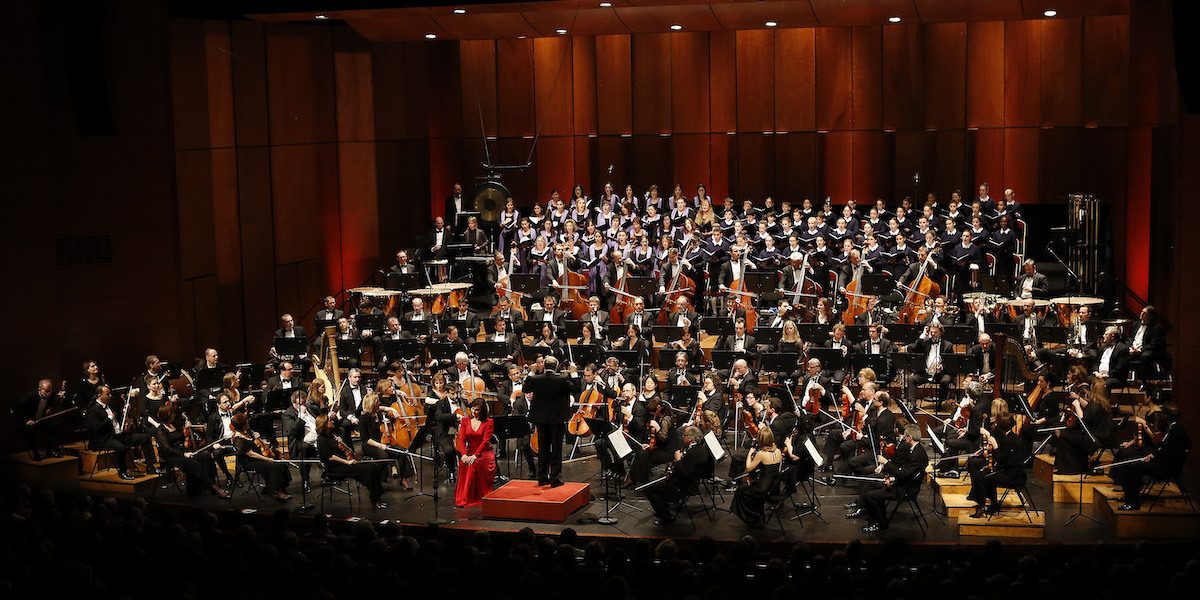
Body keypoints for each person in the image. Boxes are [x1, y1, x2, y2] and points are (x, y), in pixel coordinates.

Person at [847, 424, 929, 533]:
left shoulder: (916, 454)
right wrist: (894, 478)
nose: (904, 439)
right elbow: (907, 472)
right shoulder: (917, 450)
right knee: (872, 485)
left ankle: (878, 523)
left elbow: (903, 473)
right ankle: (873, 516)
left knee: (871, 495)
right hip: (903, 482)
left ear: (910, 438)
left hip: (905, 489)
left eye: (905, 437)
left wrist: (885, 463)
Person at [1110, 401, 1190, 510]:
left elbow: (1171, 454)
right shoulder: (1174, 427)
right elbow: (1164, 449)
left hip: (1168, 467)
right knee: (1133, 463)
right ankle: (1130, 496)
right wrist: (1153, 455)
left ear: (1165, 416)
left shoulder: (1175, 432)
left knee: (1134, 467)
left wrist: (1154, 458)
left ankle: (1134, 503)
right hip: (1164, 462)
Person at [84, 385, 161, 480]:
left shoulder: (110, 405)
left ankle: (150, 467)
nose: (110, 396)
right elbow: (96, 429)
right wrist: (108, 419)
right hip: (106, 438)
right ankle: (123, 472)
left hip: (119, 435)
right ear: (100, 396)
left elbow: (118, 418)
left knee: (146, 437)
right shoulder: (93, 410)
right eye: (108, 394)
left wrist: (125, 410)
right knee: (121, 447)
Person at [525, 356, 579, 487]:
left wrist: (531, 372)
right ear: (556, 367)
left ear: (544, 366)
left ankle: (542, 477)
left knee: (543, 448)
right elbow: (577, 388)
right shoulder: (562, 379)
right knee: (556, 448)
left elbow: (525, 388)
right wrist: (573, 372)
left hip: (541, 419)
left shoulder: (536, 379)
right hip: (557, 419)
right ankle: (555, 478)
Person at [316, 413, 389, 509]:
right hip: (335, 468)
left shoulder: (333, 435)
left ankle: (377, 496)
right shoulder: (321, 440)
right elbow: (330, 457)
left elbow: (340, 426)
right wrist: (347, 462)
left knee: (372, 467)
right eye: (329, 421)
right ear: (324, 424)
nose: (331, 421)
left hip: (344, 464)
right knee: (368, 470)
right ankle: (376, 499)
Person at [153, 403, 226, 497]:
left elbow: (184, 438)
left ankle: (204, 487)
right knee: (194, 464)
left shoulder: (174, 425)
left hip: (185, 452)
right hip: (172, 457)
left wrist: (187, 429)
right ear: (167, 415)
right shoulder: (160, 430)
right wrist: (183, 454)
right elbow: (167, 449)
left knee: (206, 456)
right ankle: (216, 489)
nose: (175, 415)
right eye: (172, 414)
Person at [644, 426, 712, 526]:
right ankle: (662, 507)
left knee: (650, 489)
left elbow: (686, 474)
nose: (682, 437)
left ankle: (664, 515)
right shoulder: (701, 449)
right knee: (660, 480)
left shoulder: (693, 453)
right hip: (692, 481)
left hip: (684, 486)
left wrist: (678, 460)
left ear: (690, 438)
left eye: (684, 435)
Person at [965, 413, 1028, 517]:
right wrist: (990, 466)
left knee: (982, 477)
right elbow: (1004, 460)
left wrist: (995, 445)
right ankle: (993, 505)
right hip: (1010, 471)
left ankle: (982, 507)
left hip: (1013, 476)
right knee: (985, 473)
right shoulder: (1011, 436)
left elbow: (1002, 458)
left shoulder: (1010, 440)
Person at [358, 386, 414, 490]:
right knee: (384, 456)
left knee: (402, 452)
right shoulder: (364, 418)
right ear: (373, 404)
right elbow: (365, 439)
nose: (380, 404)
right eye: (378, 402)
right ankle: (376, 480)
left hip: (384, 442)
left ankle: (404, 479)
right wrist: (380, 445)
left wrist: (390, 422)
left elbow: (386, 427)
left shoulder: (379, 414)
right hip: (371, 445)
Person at [230, 412, 291, 502]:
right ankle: (279, 492)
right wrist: (267, 459)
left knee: (280, 462)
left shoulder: (248, 433)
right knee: (272, 466)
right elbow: (251, 454)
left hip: (258, 458)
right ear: (243, 425)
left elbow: (258, 445)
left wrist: (256, 437)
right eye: (246, 422)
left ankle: (280, 487)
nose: (248, 423)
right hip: (249, 462)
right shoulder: (238, 439)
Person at [730, 428, 784, 528]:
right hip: (774, 487)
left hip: (763, 489)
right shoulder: (778, 451)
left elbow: (748, 468)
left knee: (741, 491)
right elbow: (779, 469)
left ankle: (751, 517)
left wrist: (750, 453)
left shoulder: (761, 454)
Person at [453, 398, 496, 507]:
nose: (473, 412)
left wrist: (474, 456)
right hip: (470, 451)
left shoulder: (489, 422)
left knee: (473, 465)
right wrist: (463, 454)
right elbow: (462, 439)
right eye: (472, 409)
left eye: (476, 410)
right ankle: (464, 497)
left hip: (485, 453)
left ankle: (471, 498)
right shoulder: (465, 421)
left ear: (482, 411)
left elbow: (485, 441)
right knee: (464, 463)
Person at [13, 379, 67, 460]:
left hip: (41, 421)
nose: (48, 394)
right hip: (29, 422)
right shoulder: (30, 397)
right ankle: (36, 453)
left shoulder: (51, 394)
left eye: (50, 391)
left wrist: (60, 397)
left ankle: (51, 451)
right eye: (46, 391)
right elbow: (15, 409)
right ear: (39, 389)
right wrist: (26, 420)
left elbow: (57, 400)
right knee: (31, 431)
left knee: (55, 426)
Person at [281, 389, 319, 493]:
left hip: (318, 438)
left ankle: (331, 474)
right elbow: (293, 431)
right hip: (301, 442)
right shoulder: (287, 414)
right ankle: (305, 479)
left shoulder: (312, 409)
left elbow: (321, 421)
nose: (303, 406)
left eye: (304, 402)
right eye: (300, 403)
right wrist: (301, 416)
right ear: (293, 403)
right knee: (304, 448)